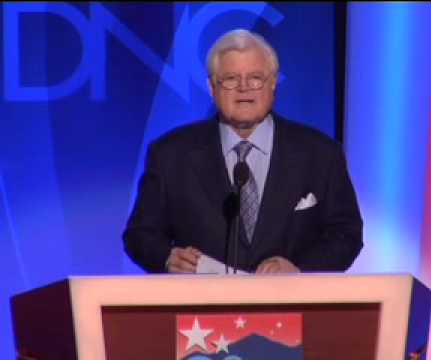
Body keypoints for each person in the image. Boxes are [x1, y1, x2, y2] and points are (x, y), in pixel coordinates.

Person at [123, 29, 363, 274]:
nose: (244, 88)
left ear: (273, 84)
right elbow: (140, 235)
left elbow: (346, 233)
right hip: (201, 306)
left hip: (291, 306)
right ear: (212, 87)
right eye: (230, 79)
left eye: (256, 77)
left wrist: (299, 271)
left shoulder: (320, 153)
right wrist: (167, 257)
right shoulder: (170, 154)